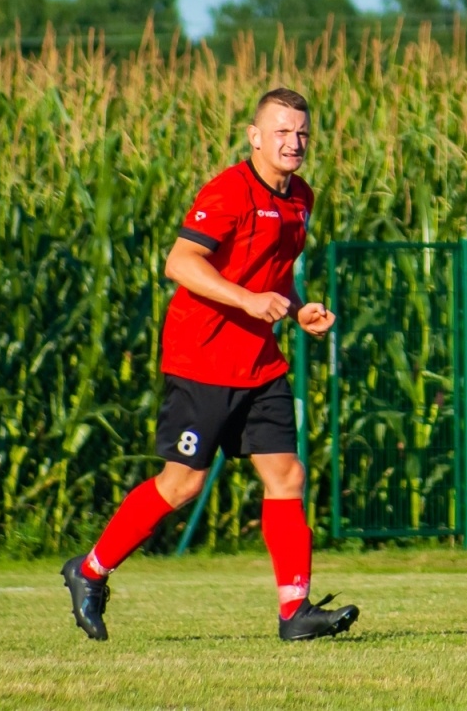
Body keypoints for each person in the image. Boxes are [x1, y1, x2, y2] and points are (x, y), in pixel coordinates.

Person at [61, 88, 358, 643]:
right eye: (281, 131)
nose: (293, 142)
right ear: (255, 137)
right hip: (202, 358)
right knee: (182, 485)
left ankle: (295, 612)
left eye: (301, 133)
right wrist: (247, 300)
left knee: (287, 475)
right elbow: (179, 262)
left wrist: (298, 310)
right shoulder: (228, 191)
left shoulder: (301, 197)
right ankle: (91, 569)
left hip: (261, 363)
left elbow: (274, 272)